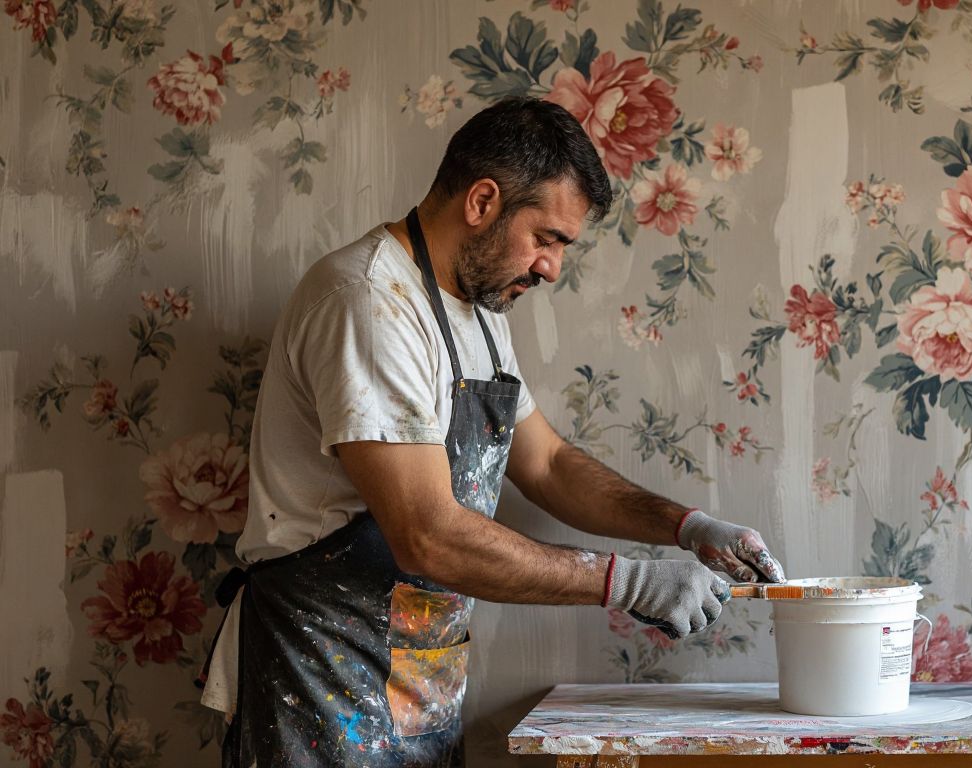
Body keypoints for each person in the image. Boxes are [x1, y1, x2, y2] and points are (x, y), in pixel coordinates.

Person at [199, 97, 786, 767]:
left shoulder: (477, 311)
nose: (552, 268)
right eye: (547, 238)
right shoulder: (367, 302)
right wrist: (629, 584)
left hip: (417, 678)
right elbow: (427, 535)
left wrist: (687, 526)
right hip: (320, 674)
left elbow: (548, 465)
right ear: (482, 202)